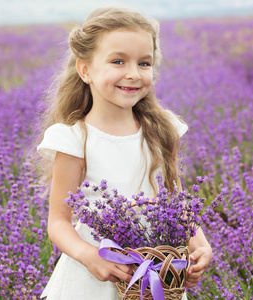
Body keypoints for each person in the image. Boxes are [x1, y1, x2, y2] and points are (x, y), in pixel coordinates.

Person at [35, 6, 212, 299]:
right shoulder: (74, 140)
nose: (133, 74)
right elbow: (58, 222)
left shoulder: (163, 130)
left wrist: (200, 246)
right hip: (94, 280)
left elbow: (177, 202)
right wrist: (89, 255)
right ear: (85, 70)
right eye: (118, 61)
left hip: (160, 274)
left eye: (144, 63)